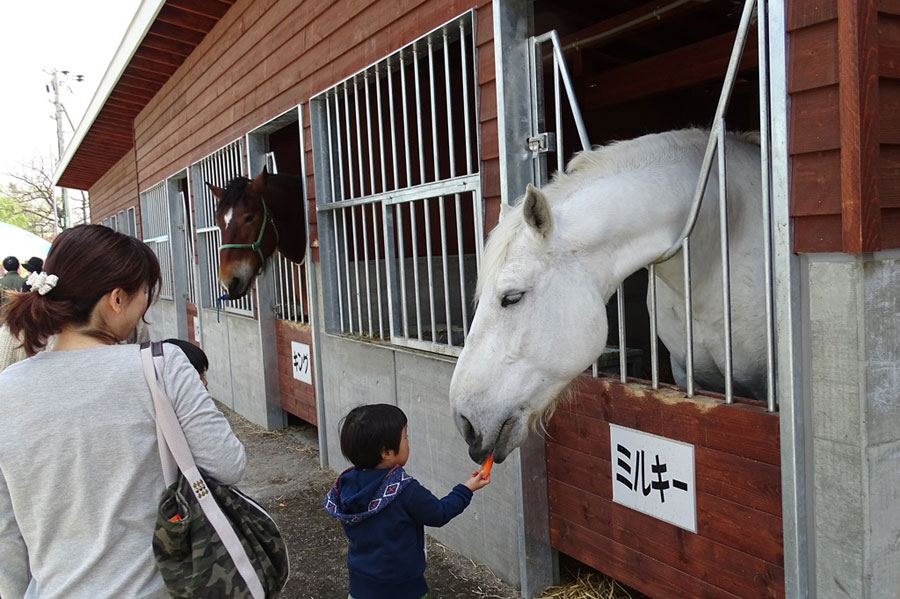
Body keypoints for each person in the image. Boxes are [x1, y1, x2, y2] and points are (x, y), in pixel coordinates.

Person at [0, 224, 246, 599]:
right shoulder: (163, 365)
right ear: (117, 299)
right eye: (145, 293)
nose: (144, 306)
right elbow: (228, 464)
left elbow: (6, 527)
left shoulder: (7, 389)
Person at [324, 404, 490, 599]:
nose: (408, 443)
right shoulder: (404, 490)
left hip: (360, 588)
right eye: (405, 438)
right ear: (386, 452)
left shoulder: (346, 486)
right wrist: (466, 489)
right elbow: (439, 513)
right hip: (402, 589)